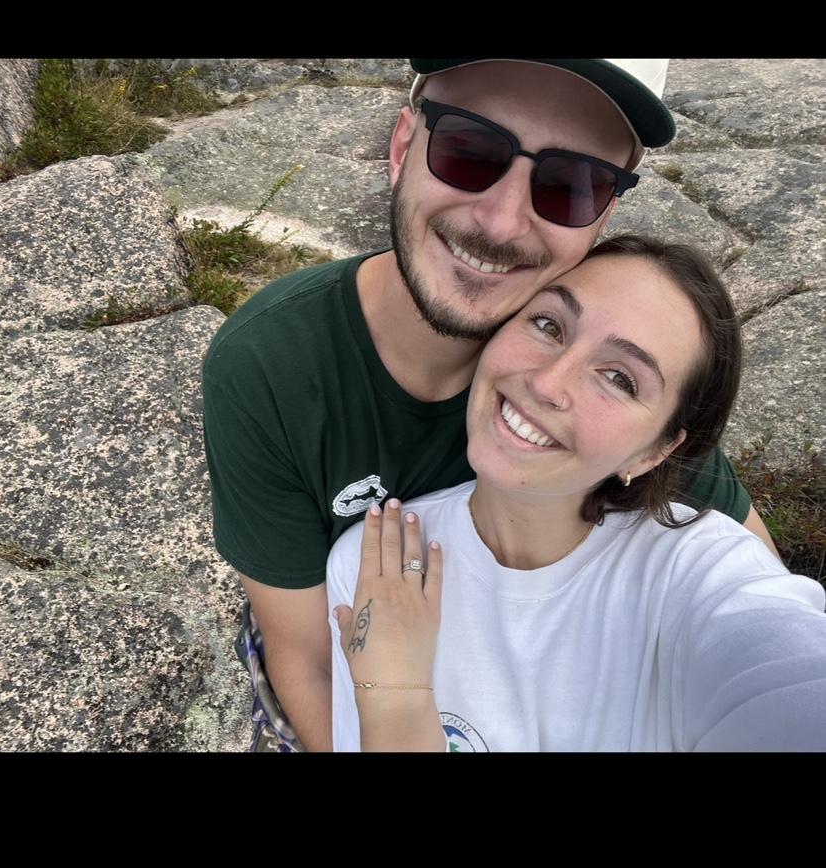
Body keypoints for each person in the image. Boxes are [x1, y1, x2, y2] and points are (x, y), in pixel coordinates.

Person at [201, 59, 780, 753]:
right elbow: (307, 656)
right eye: (468, 150)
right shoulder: (270, 364)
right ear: (401, 147)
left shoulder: (592, 379)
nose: (501, 221)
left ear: (600, 217)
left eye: (569, 185)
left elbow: (757, 607)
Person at [328, 236, 826, 752]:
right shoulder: (377, 568)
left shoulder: (701, 574)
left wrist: (396, 700)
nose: (548, 383)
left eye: (619, 378)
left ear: (653, 452)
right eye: (549, 325)